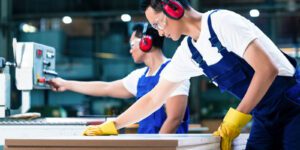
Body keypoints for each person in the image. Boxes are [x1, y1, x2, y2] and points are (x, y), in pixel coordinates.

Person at [82, 0, 300, 149]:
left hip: (294, 105)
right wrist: (114, 125)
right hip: (263, 114)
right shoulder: (189, 52)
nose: (159, 32)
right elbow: (154, 98)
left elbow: (266, 70)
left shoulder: (221, 22)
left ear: (174, 9)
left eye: (158, 23)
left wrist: (235, 120)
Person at [50, 23, 190, 134]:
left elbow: (174, 119)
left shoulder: (174, 70)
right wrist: (66, 84)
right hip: (148, 144)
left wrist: (158, 146)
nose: (130, 50)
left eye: (132, 45)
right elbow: (106, 87)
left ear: (145, 42)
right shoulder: (140, 76)